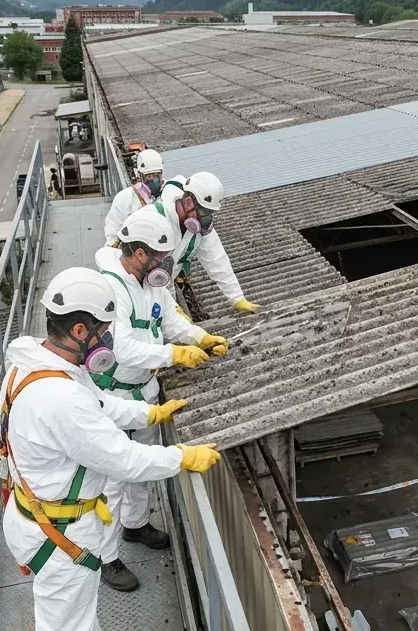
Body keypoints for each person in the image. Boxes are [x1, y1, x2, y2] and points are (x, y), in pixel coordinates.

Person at [0, 267, 222, 631]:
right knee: (69, 626)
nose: (108, 340)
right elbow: (125, 460)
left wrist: (148, 412)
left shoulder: (33, 367)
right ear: (79, 331)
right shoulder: (61, 398)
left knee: (69, 618)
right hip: (62, 535)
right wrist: (181, 457)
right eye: (104, 331)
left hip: (36, 516)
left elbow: (98, 405)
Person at [92, 206, 230, 591]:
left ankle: (135, 527)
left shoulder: (152, 283)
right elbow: (120, 347)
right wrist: (173, 355)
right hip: (114, 392)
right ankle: (106, 557)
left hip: (145, 392)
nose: (164, 265)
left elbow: (169, 319)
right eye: (158, 257)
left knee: (142, 469)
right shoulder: (110, 288)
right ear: (138, 253)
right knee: (113, 480)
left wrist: (198, 337)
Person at [153, 171, 260, 313]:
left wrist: (237, 298)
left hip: (167, 283)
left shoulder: (199, 227)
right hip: (145, 286)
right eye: (204, 210)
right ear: (189, 201)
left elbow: (216, 260)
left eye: (210, 212)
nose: (206, 218)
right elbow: (148, 270)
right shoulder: (159, 220)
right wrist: (171, 308)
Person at [104, 149, 166, 246]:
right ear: (140, 176)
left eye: (157, 175)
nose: (154, 180)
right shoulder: (125, 198)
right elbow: (113, 230)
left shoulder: (169, 193)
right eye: (149, 176)